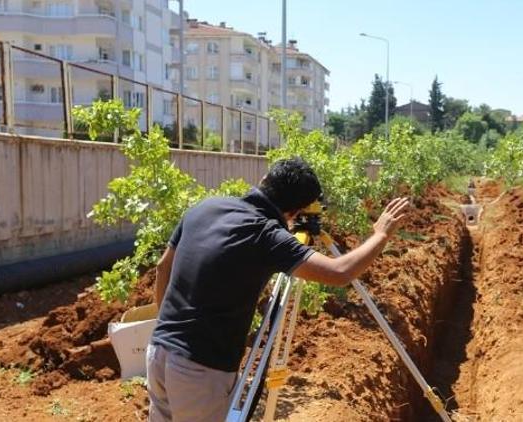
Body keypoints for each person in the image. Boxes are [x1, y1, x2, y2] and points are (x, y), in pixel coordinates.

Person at [146, 157, 410, 422]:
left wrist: (165, 326)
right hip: (201, 369)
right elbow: (340, 272)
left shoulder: (205, 207)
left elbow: (162, 267)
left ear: (263, 180)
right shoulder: (267, 235)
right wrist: (380, 234)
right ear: (295, 212)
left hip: (158, 352)